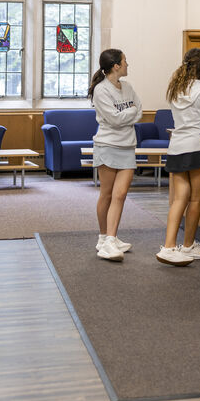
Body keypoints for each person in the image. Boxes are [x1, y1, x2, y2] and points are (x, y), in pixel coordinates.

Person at [156, 49, 200, 266]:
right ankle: (188, 245)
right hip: (198, 147)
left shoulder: (176, 88)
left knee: (179, 199)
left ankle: (169, 246)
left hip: (176, 146)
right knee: (196, 199)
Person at [89, 49, 143, 262]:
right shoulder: (101, 90)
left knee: (120, 195)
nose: (128, 64)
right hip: (108, 146)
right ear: (116, 66)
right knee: (107, 194)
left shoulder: (128, 87)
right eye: (125, 61)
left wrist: (127, 114)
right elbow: (114, 119)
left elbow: (139, 110)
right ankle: (103, 238)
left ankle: (112, 238)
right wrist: (128, 113)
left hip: (128, 146)